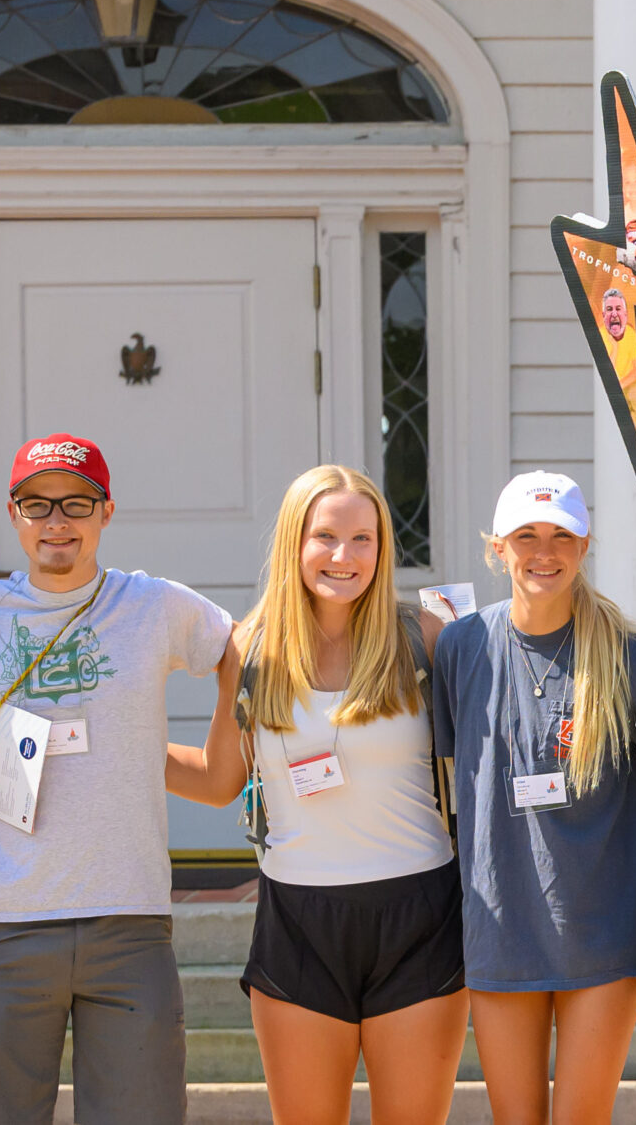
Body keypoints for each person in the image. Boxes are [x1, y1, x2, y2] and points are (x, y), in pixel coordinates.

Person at [0, 434, 234, 1125]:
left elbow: (241, 647)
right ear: (13, 514)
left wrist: (226, 765)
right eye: (37, 505)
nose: (56, 522)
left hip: (129, 922)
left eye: (76, 504)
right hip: (10, 923)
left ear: (107, 512)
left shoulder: (153, 605)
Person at [167, 465, 465, 1125]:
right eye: (325, 536)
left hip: (419, 915)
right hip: (297, 923)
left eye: (364, 539)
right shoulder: (249, 648)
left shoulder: (426, 637)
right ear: (294, 545)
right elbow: (221, 781)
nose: (344, 556)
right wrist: (123, 742)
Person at [427, 471, 636, 1125]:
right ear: (496, 548)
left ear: (584, 544)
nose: (544, 551)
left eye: (562, 535)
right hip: (500, 922)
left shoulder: (631, 659)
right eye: (526, 535)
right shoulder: (461, 646)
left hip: (604, 926)